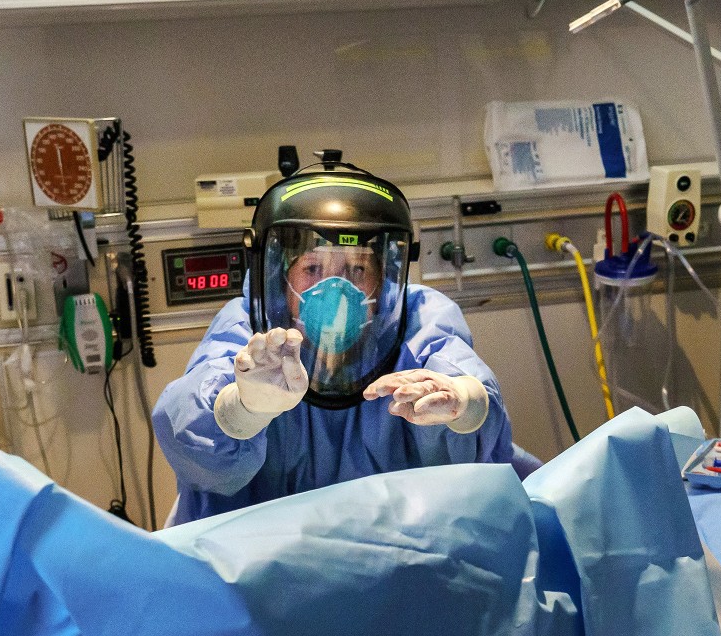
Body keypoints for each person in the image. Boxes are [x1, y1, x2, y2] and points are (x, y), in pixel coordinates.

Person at [153, 159, 518, 522]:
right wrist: (242, 409)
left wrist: (463, 404)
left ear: (383, 281)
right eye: (312, 269)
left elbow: (474, 402)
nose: (335, 291)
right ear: (282, 278)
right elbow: (191, 438)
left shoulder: (418, 320)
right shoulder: (249, 327)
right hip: (265, 560)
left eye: (357, 270)